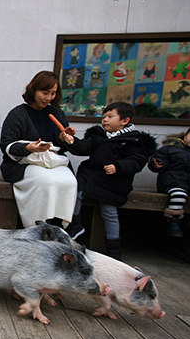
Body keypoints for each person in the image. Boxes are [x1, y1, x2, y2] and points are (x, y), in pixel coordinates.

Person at [62, 102, 157, 261]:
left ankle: (114, 250)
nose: (104, 120)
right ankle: (76, 225)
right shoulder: (99, 136)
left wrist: (118, 167)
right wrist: (71, 141)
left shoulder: (134, 140)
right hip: (90, 177)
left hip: (113, 183)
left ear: (124, 121)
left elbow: (137, 161)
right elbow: (83, 147)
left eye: (110, 117)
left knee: (109, 212)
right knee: (75, 193)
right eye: (103, 116)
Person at [0, 70, 77, 229]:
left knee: (69, 182)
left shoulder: (57, 113)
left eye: (53, 93)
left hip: (52, 162)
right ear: (33, 90)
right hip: (24, 163)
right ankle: (37, 227)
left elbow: (61, 146)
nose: (49, 98)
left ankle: (59, 227)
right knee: (46, 182)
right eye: (45, 92)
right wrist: (29, 147)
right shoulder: (18, 114)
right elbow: (6, 145)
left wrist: (64, 138)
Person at [148, 121, 190, 238]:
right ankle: (173, 221)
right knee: (179, 196)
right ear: (185, 136)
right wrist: (157, 164)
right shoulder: (171, 149)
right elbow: (159, 158)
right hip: (173, 182)